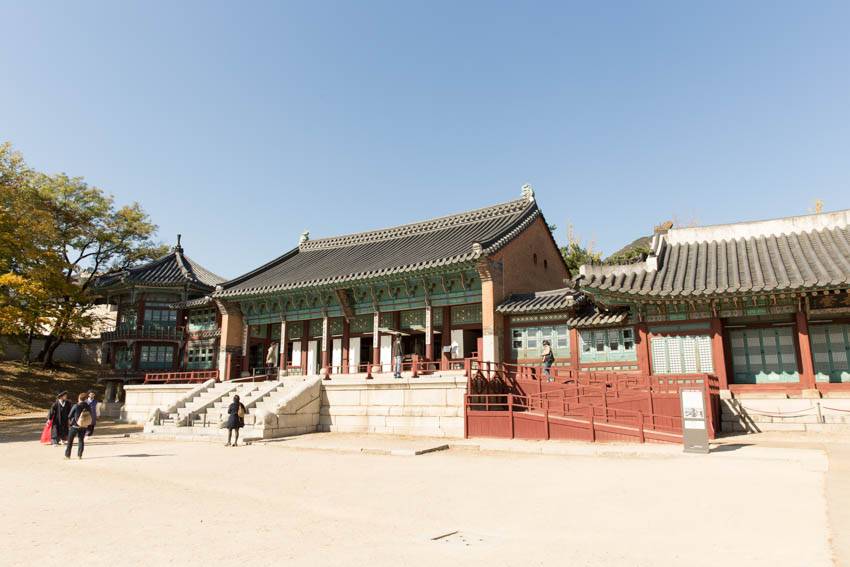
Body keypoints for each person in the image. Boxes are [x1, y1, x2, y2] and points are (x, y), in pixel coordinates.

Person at [65, 393, 91, 460]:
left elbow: (70, 415)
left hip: (75, 425)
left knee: (70, 440)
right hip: (84, 425)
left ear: (79, 398)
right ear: (85, 399)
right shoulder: (88, 406)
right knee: (81, 440)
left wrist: (70, 423)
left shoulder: (76, 406)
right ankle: (79, 455)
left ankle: (67, 455)